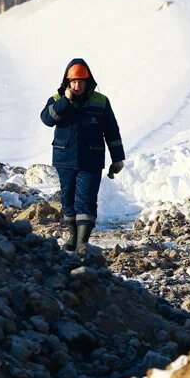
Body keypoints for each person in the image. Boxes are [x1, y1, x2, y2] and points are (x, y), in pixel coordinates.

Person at [39, 58, 125, 254]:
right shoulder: (57, 100)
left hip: (91, 160)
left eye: (81, 82)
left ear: (88, 82)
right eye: (73, 82)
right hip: (65, 159)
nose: (77, 86)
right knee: (68, 199)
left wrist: (117, 158)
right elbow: (47, 120)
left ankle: (82, 242)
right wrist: (65, 101)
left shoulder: (101, 101)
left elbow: (111, 131)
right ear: (67, 82)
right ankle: (72, 237)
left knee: (85, 200)